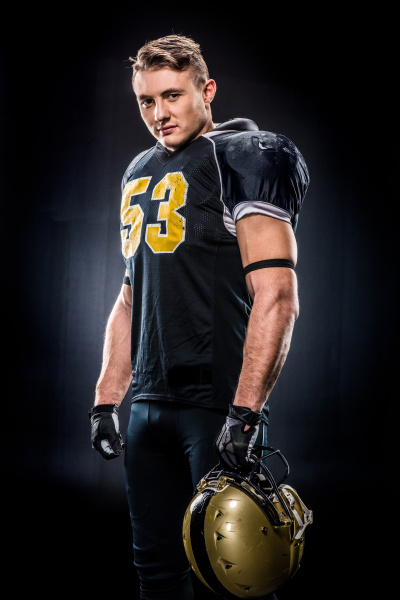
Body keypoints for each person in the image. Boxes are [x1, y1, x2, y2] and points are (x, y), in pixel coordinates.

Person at [89, 34, 309, 600]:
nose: (159, 114)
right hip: (149, 405)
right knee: (155, 570)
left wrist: (245, 412)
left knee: (238, 578)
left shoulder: (241, 155)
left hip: (215, 408)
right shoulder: (139, 169)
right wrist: (107, 399)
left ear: (206, 90)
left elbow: (277, 294)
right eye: (145, 101)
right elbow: (130, 295)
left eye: (172, 96)